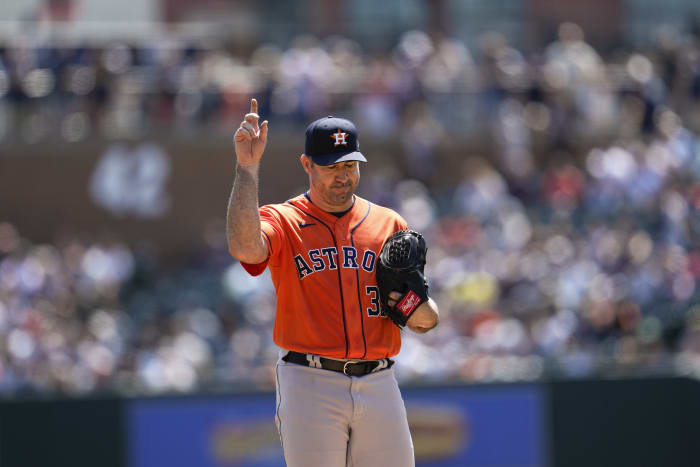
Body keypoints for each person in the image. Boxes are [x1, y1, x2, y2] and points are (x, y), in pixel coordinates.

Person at [226, 98, 439, 467]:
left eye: (350, 165)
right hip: (310, 380)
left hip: (379, 378)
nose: (343, 175)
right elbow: (246, 247)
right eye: (330, 166)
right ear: (307, 164)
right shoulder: (285, 219)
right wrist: (247, 168)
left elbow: (423, 319)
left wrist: (414, 305)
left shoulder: (389, 223)